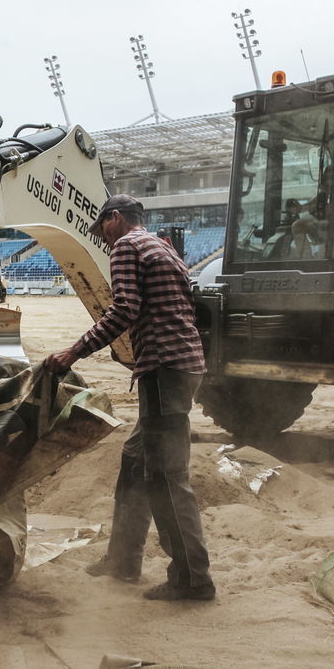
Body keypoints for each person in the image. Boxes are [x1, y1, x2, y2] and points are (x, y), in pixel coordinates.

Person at [44, 194, 214, 602]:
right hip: (183, 367)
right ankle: (123, 560)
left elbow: (124, 309)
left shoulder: (126, 245)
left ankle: (193, 579)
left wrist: (74, 351)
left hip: (162, 371)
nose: (103, 238)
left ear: (115, 218)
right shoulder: (164, 247)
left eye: (102, 227)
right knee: (135, 461)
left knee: (167, 477)